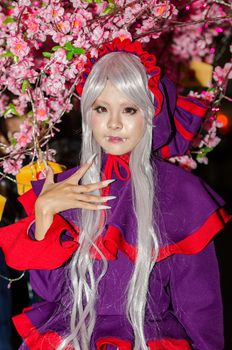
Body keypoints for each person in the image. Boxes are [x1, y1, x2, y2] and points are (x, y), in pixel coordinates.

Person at [0, 38, 231, 350]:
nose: (113, 123)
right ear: (88, 113)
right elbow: (51, 293)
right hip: (71, 337)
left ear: (150, 114)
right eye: (101, 108)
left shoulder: (181, 194)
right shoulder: (66, 187)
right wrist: (44, 215)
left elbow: (200, 306)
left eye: (129, 109)